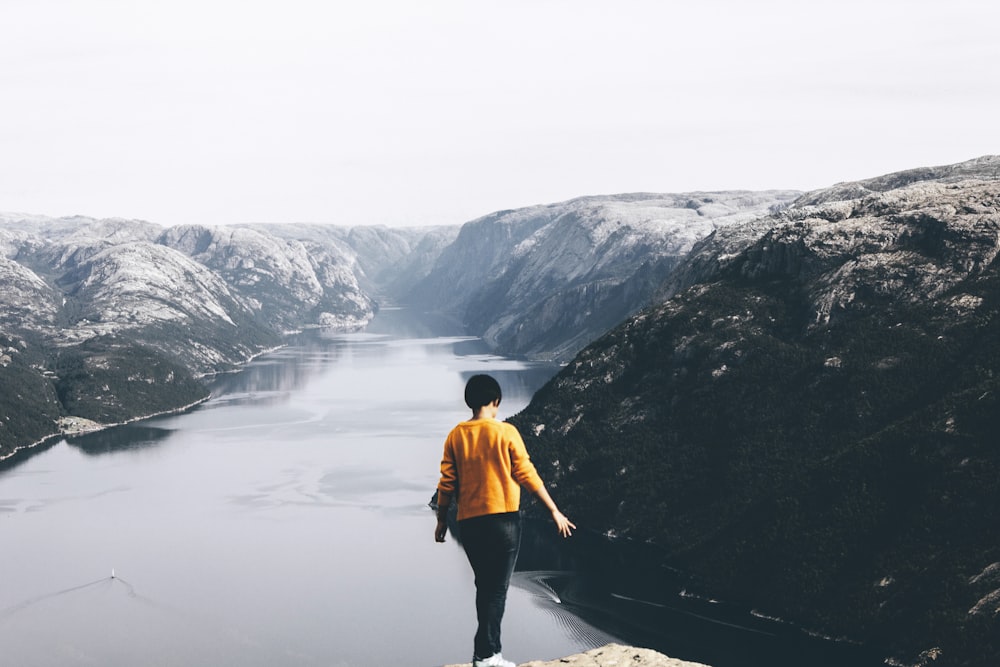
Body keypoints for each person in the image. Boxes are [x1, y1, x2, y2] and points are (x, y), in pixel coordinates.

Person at [435, 374, 575, 667]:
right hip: (503, 522)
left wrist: (441, 522)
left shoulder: (456, 435)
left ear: (470, 402)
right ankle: (487, 655)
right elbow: (527, 475)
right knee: (495, 589)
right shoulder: (507, 432)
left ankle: (485, 652)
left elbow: (446, 484)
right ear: (495, 402)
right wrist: (553, 511)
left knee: (485, 586)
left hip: (470, 523)